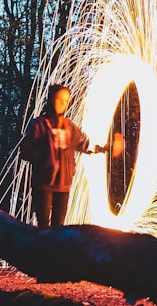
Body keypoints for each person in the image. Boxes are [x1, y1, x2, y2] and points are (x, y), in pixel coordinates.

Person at [19, 83, 104, 227]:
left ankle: (55, 249)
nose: (63, 104)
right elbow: (25, 150)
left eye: (66, 101)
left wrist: (105, 148)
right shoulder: (39, 125)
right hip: (43, 184)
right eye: (59, 99)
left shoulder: (70, 127)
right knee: (43, 226)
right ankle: (42, 249)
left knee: (59, 227)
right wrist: (42, 159)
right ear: (51, 99)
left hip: (63, 186)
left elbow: (85, 144)